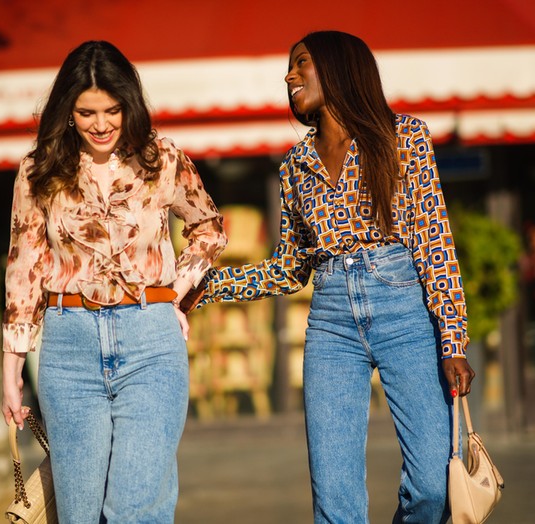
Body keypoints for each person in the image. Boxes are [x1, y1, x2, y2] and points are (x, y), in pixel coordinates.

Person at [194, 31, 475, 523]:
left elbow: (434, 242)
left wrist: (452, 340)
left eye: (301, 63)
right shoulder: (294, 167)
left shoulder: (403, 137)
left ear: (340, 68)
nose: (289, 76)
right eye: (288, 67)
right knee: (335, 499)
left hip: (403, 308)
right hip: (330, 323)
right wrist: (208, 285)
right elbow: (289, 268)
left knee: (434, 484)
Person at [0, 40, 226, 523]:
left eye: (112, 110)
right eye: (86, 112)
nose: (100, 124)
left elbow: (208, 227)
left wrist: (176, 294)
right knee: (80, 514)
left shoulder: (161, 158)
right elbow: (24, 266)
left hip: (151, 343)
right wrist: (12, 368)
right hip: (67, 349)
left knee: (133, 510)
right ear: (66, 111)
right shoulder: (38, 169)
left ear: (129, 105)